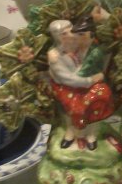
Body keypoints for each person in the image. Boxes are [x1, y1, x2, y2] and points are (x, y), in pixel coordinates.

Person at [47, 19, 114, 150]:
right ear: (58, 38)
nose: (71, 35)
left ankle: (91, 133)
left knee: (101, 95)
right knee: (75, 106)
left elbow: (93, 49)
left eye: (71, 31)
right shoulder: (55, 56)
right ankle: (71, 132)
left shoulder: (78, 45)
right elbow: (68, 79)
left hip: (84, 84)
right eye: (64, 34)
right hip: (67, 87)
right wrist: (91, 80)